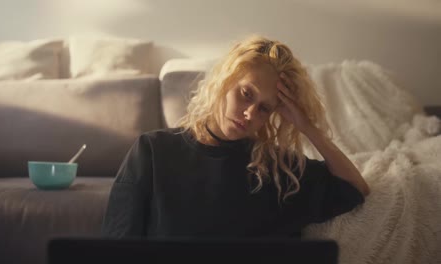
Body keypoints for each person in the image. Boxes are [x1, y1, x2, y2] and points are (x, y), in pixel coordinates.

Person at [101, 35, 370, 239]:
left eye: (265, 107)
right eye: (246, 94)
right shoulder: (153, 151)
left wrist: (307, 127)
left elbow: (354, 189)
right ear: (225, 80)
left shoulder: (276, 169)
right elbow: (116, 244)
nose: (251, 113)